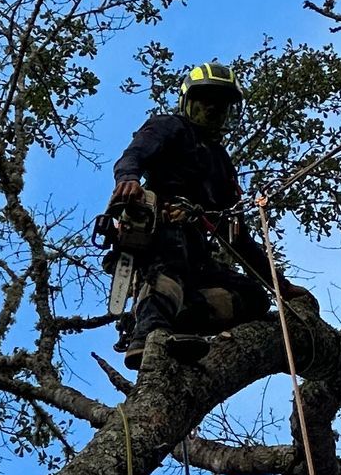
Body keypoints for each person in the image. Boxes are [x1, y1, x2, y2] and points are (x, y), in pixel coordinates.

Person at [98, 62, 286, 363]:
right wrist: (128, 179)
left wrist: (281, 286)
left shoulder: (221, 164)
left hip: (196, 254)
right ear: (189, 101)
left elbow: (238, 238)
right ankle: (148, 334)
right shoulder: (169, 127)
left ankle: (180, 318)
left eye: (221, 104)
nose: (213, 109)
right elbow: (133, 155)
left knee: (253, 298)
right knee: (171, 256)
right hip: (162, 232)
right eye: (206, 101)